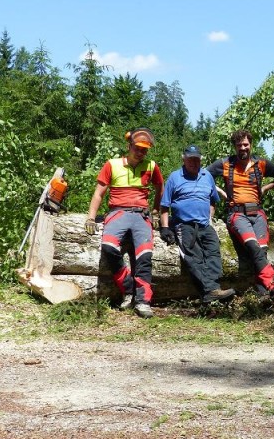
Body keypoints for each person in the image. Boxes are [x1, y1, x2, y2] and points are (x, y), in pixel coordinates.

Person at [84, 128, 163, 318]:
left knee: (145, 256)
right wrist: (90, 217)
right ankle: (128, 288)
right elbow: (98, 193)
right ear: (129, 146)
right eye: (137, 148)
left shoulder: (151, 166)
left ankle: (143, 302)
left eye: (144, 150)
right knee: (108, 247)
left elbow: (160, 186)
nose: (141, 153)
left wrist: (155, 211)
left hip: (141, 216)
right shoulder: (112, 164)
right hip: (117, 213)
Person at [207, 129, 274, 300]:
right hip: (236, 215)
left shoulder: (261, 164)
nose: (243, 148)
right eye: (239, 145)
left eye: (245, 144)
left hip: (258, 213)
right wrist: (219, 192)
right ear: (234, 147)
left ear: (250, 145)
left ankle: (262, 293)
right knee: (253, 247)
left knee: (261, 251)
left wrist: (267, 187)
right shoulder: (225, 164)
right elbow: (202, 176)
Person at [159, 145, 236, 304]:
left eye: (196, 159)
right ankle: (211, 291)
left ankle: (210, 291)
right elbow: (165, 206)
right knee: (194, 257)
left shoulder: (206, 175)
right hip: (183, 224)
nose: (194, 162)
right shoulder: (175, 177)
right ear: (184, 159)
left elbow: (213, 201)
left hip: (204, 225)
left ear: (200, 159)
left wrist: (209, 218)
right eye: (190, 159)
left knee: (213, 251)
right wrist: (165, 227)